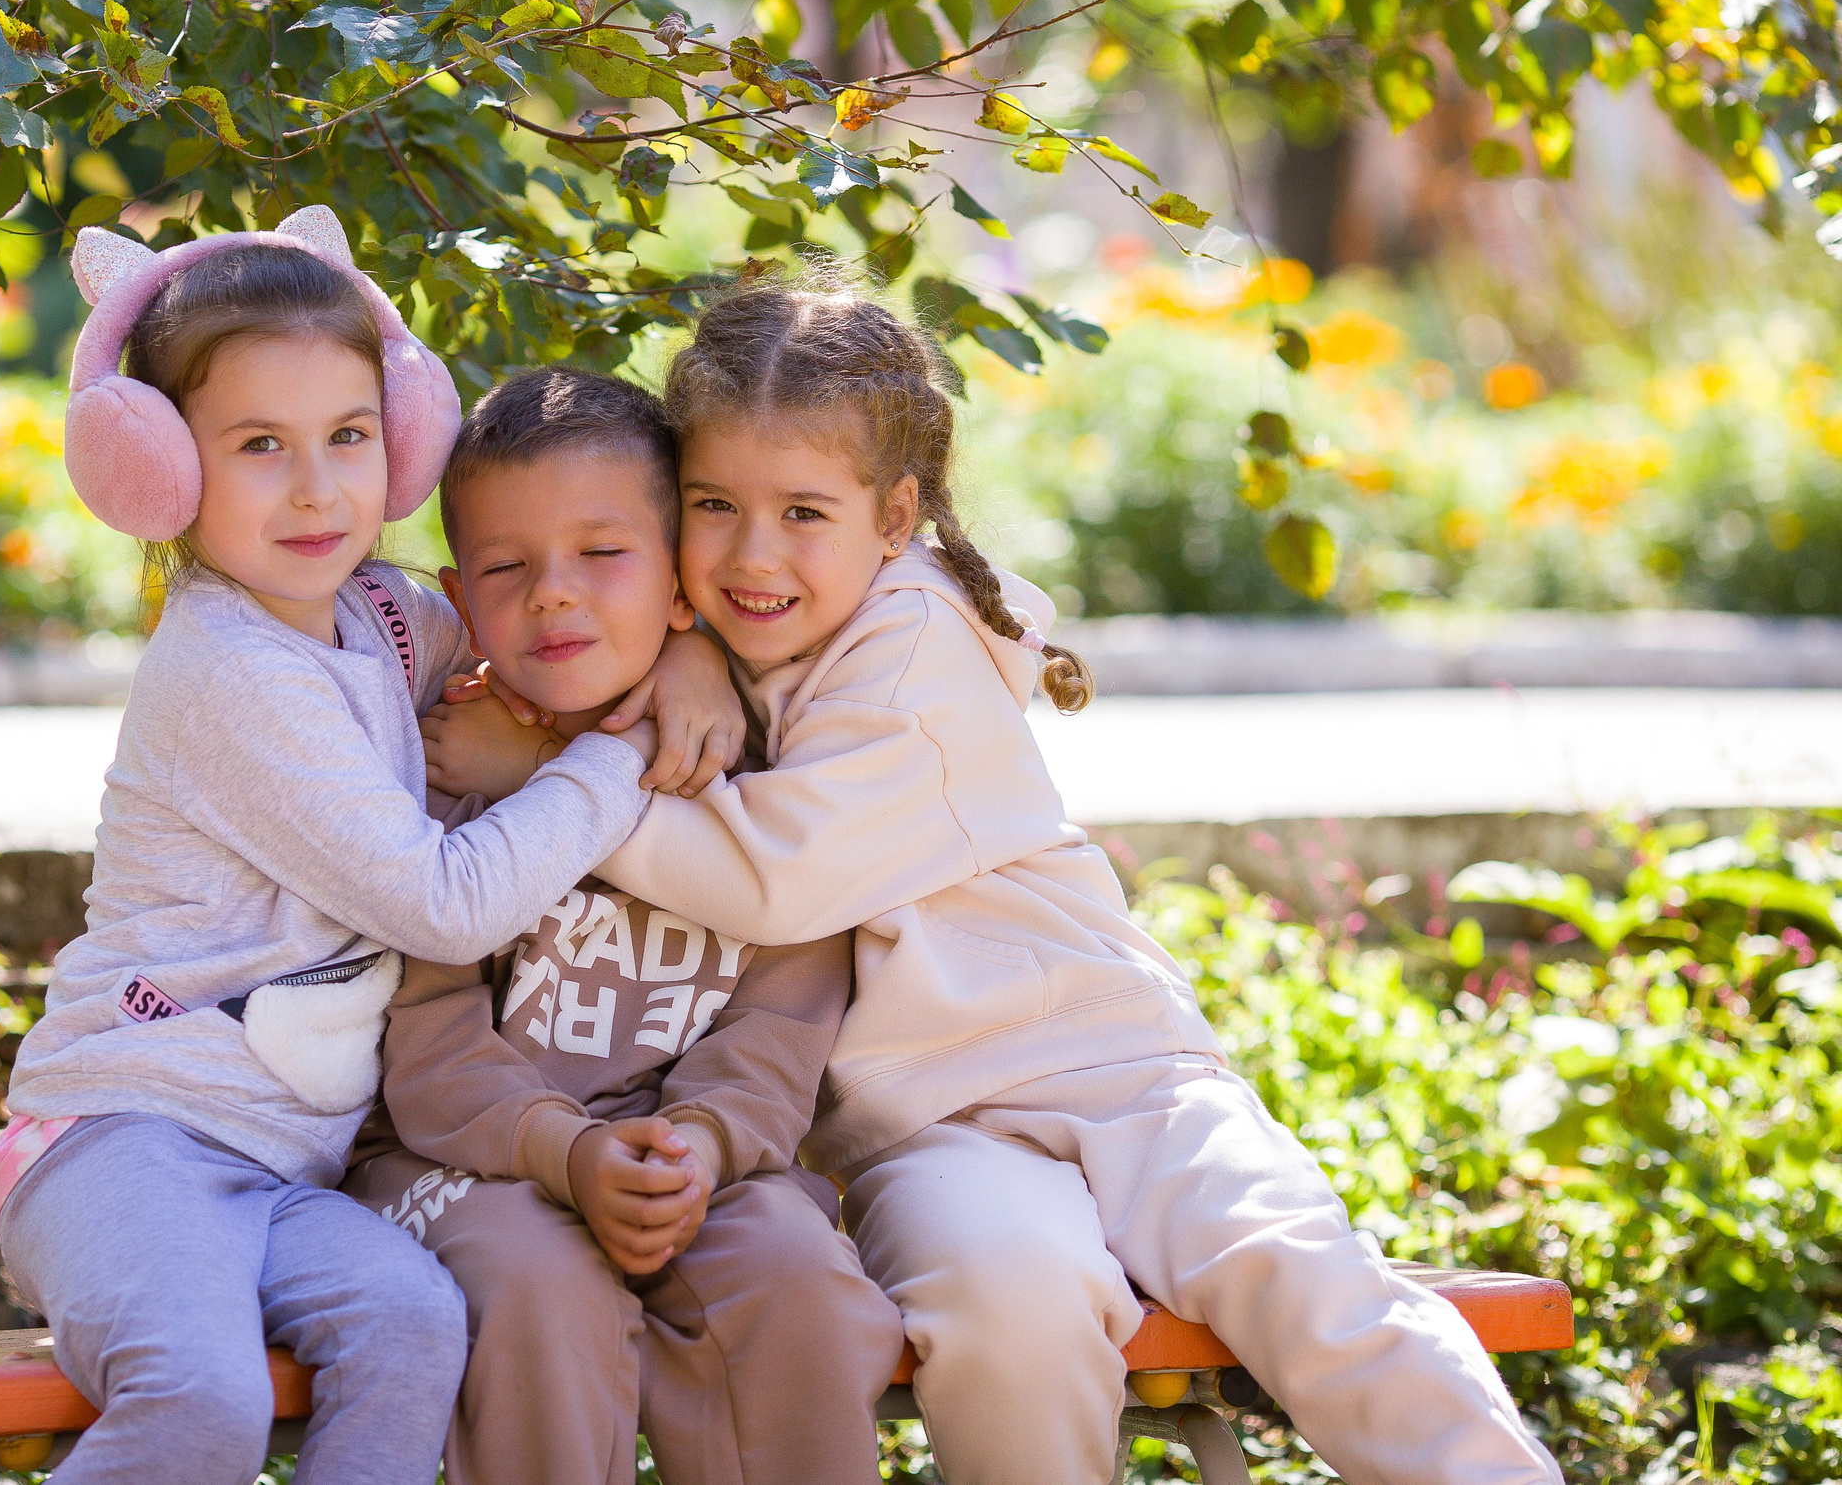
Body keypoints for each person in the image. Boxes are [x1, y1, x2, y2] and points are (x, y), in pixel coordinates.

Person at [428, 267, 1563, 1485]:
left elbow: (778, 882)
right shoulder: (713, 646)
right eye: (713, 506)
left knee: (1294, 1273)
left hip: (1117, 1076)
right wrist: (690, 656)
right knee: (1006, 1309)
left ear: (895, 516)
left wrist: (552, 772)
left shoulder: (917, 644)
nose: (753, 554)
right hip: (920, 1133)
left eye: (804, 512)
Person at [0, 208, 731, 1485]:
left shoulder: (379, 613)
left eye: (345, 437)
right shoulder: (228, 668)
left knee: (409, 1325)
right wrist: (618, 755)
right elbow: (446, 909)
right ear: (162, 471)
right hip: (125, 1137)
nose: (319, 487)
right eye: (259, 447)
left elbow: (536, 637)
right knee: (203, 1396)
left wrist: (690, 646)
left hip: (286, 1171)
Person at [345, 367, 905, 1485]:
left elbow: (781, 1025)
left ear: (680, 582)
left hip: (704, 1161)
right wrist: (570, 1153)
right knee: (534, 1290)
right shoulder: (445, 767)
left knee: (796, 1282)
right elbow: (427, 1041)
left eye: (602, 555)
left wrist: (694, 1147)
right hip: (467, 1165)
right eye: (506, 569)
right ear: (462, 594)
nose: (554, 594)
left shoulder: (763, 774)